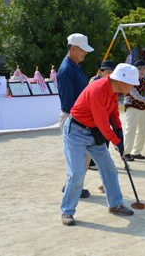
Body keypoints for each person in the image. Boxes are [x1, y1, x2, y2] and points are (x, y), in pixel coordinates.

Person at [61, 63, 139, 226]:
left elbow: (114, 113)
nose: (133, 87)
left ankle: (115, 204)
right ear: (121, 81)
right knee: (77, 173)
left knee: (109, 168)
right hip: (76, 132)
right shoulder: (97, 90)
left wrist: (119, 131)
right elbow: (103, 124)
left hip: (93, 133)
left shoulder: (114, 90)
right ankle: (67, 211)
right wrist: (117, 142)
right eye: (132, 83)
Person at [58, 33, 94, 198]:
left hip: (81, 117)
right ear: (73, 48)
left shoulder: (76, 65)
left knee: (83, 158)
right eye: (83, 50)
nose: (85, 53)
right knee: (76, 159)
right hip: (73, 118)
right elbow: (69, 102)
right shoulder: (66, 70)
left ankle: (72, 186)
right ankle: (72, 188)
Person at [123, 60, 145, 162]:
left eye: (144, 69)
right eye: (140, 69)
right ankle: (126, 152)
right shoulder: (130, 80)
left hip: (142, 107)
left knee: (142, 131)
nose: (142, 71)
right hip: (132, 106)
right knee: (130, 131)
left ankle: (136, 151)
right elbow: (135, 95)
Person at [87, 60, 115, 171]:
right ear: (101, 71)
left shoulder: (112, 81)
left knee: (106, 137)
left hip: (106, 113)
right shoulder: (93, 80)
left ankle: (103, 161)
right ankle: (92, 163)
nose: (110, 74)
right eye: (108, 71)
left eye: (112, 71)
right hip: (95, 115)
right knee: (96, 138)